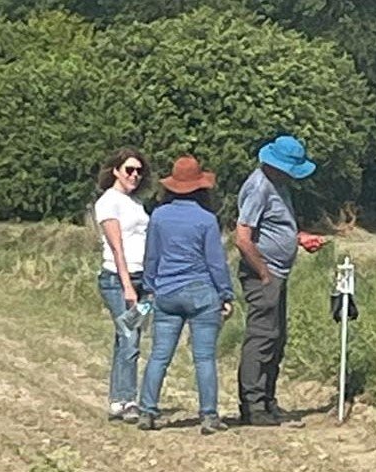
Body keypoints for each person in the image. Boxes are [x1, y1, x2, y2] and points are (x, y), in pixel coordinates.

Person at [137, 156, 235, 434]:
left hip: (166, 292)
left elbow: (152, 256)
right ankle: (208, 416)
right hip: (201, 292)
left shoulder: (158, 216)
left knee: (159, 356)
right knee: (204, 358)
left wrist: (150, 287)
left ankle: (147, 411)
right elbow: (216, 262)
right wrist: (225, 294)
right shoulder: (206, 220)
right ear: (200, 187)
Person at [234, 135, 326, 426]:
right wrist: (263, 273)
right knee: (261, 338)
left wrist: (298, 238)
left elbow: (275, 227)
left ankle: (268, 398)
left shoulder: (279, 186)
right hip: (264, 273)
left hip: (277, 272)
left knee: (276, 338)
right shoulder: (258, 188)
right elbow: (243, 238)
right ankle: (253, 405)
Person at [92, 148, 150, 423]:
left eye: (139, 171)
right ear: (115, 171)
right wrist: (127, 286)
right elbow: (117, 248)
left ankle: (117, 399)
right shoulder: (108, 202)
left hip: (142, 277)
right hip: (117, 279)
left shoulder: (136, 203)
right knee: (130, 336)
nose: (135, 175)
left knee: (124, 337)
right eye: (129, 170)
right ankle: (128, 399)